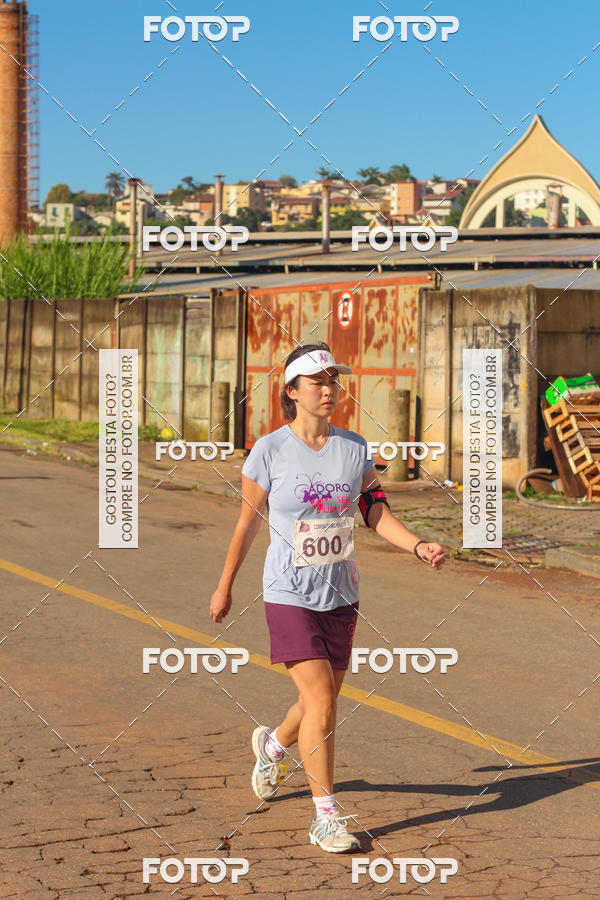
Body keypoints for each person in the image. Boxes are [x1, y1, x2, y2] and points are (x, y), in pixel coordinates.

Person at [209, 341, 446, 853]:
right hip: (287, 592)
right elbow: (248, 525)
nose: (329, 389)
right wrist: (225, 585)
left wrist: (418, 544)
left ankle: (273, 745)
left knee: (323, 700)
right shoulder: (268, 451)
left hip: (341, 593)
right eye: (317, 381)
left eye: (333, 381)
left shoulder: (355, 448)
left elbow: (375, 512)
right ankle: (326, 815)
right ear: (291, 392)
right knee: (321, 700)